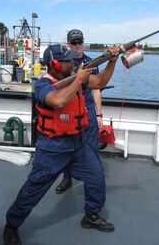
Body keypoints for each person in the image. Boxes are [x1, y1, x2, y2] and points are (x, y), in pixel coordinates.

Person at [3, 43, 120, 245]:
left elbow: (100, 81)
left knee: (96, 176)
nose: (73, 63)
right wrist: (78, 80)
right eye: (67, 61)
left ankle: (91, 215)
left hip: (78, 143)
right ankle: (11, 226)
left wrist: (112, 60)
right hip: (52, 148)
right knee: (33, 189)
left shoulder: (76, 78)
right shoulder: (42, 84)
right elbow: (57, 101)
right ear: (54, 64)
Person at [55, 29, 103, 194]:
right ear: (68, 44)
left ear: (83, 43)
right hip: (69, 108)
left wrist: (98, 114)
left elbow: (97, 89)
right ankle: (67, 178)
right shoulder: (63, 64)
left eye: (79, 42)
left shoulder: (92, 63)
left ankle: (94, 183)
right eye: (73, 43)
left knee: (92, 148)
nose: (77, 46)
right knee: (67, 146)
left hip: (87, 108)